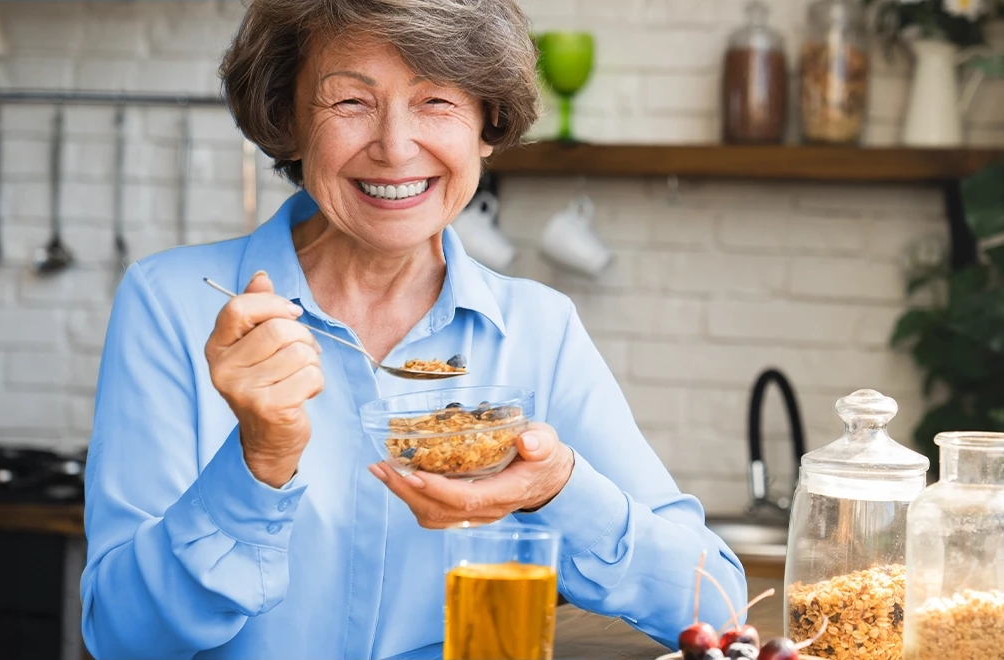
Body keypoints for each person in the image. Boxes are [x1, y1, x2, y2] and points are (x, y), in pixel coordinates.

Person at [80, 1, 747, 658]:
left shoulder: (537, 327)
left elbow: (713, 606)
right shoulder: (171, 304)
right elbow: (120, 638)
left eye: (436, 102)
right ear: (286, 121)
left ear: (488, 122)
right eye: (349, 103)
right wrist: (258, 464)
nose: (395, 148)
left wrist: (558, 487)